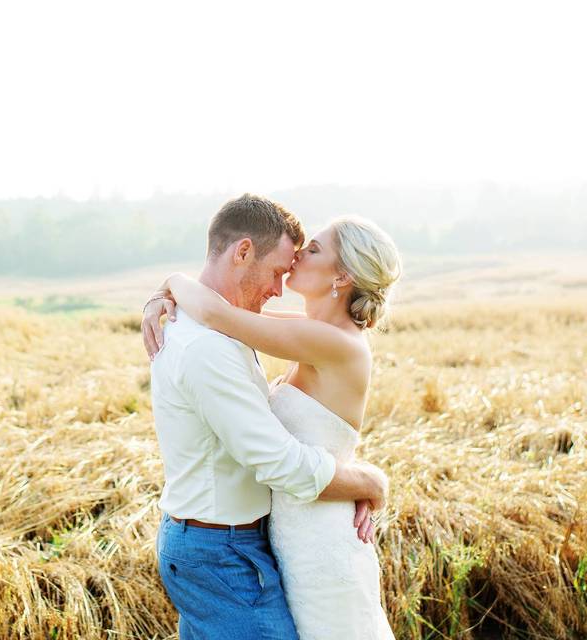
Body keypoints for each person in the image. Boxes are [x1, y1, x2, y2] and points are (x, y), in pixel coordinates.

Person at [141, 194, 397, 639]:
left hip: (315, 539)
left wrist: (172, 282)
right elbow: (219, 314)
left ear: (343, 276)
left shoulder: (335, 343)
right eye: (284, 265)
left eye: (312, 250)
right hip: (273, 540)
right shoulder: (306, 337)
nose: (296, 261)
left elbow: (219, 313)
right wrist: (166, 290)